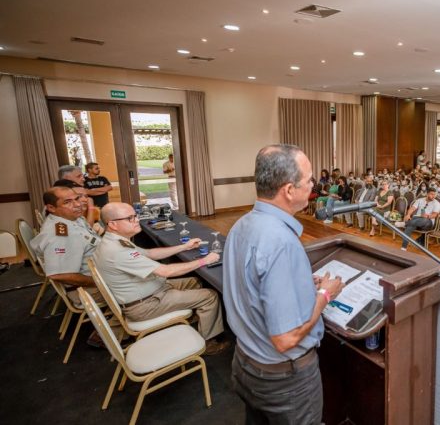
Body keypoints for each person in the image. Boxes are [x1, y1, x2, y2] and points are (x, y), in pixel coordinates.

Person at [223, 144, 345, 424]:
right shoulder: (280, 241)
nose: (314, 184)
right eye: (310, 179)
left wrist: (300, 283)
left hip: (245, 364)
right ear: (289, 190)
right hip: (283, 382)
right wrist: (326, 294)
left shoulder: (242, 224)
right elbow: (286, 338)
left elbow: (251, 283)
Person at [93, 202, 229, 354]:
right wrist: (204, 261)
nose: (137, 220)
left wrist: (184, 247)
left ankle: (194, 321)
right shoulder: (118, 251)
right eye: (130, 218)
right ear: (113, 224)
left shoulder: (114, 241)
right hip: (146, 304)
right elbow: (165, 271)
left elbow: (150, 254)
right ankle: (208, 343)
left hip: (150, 290)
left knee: (195, 281)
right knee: (210, 296)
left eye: (135, 216)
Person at [30, 186, 117, 346]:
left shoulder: (72, 219)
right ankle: (110, 333)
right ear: (51, 208)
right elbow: (59, 274)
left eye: (77, 198)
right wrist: (99, 282)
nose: (77, 204)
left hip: (99, 272)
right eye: (68, 202)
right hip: (87, 289)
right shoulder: (60, 234)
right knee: (138, 283)